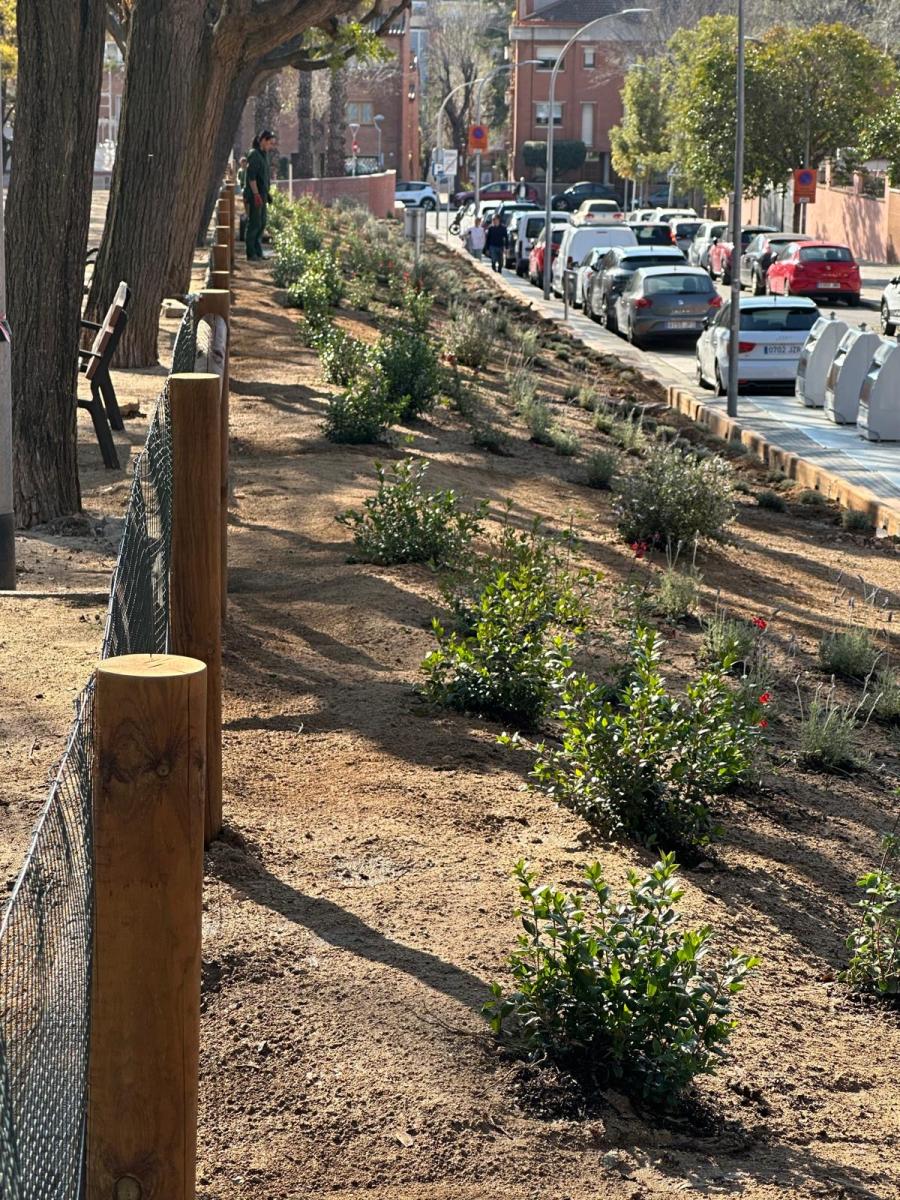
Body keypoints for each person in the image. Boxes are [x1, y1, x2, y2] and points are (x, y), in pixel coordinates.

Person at [243, 130, 277, 261]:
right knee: (255, 223)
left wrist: (266, 193)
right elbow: (251, 178)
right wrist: (256, 194)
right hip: (254, 195)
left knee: (262, 223)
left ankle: (258, 251)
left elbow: (263, 178)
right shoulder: (254, 155)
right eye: (269, 143)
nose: (271, 146)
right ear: (262, 140)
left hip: (262, 194)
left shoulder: (264, 155)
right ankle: (251, 253)